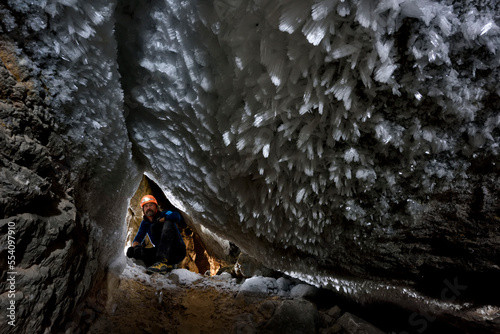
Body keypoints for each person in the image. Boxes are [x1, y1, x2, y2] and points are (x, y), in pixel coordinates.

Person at [126, 195, 186, 274]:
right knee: (131, 251)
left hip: (176, 251)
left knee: (168, 222)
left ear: (156, 207)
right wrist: (136, 247)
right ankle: (167, 265)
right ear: (143, 209)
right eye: (146, 206)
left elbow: (176, 215)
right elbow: (138, 238)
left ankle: (162, 262)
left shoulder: (164, 214)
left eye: (151, 205)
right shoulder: (145, 223)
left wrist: (163, 219)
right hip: (159, 251)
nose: (148, 208)